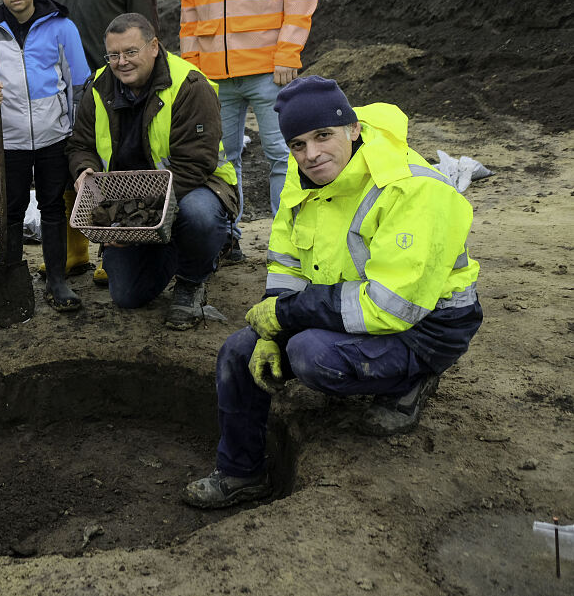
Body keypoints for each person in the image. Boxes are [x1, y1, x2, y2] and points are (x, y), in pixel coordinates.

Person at [183, 76, 482, 509]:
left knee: (311, 355)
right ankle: (242, 473)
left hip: (427, 327)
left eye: (323, 136)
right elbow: (287, 261)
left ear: (353, 129)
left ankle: (412, 380)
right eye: (298, 145)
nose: (312, 154)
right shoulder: (304, 176)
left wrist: (289, 318)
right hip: (348, 306)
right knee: (238, 351)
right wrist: (270, 330)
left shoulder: (412, 189)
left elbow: (390, 307)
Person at [178, 0, 318, 265]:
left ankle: (286, 242)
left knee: (284, 156)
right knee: (221, 159)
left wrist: (288, 54)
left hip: (268, 72)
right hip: (214, 78)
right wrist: (191, 72)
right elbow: (189, 9)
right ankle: (228, 239)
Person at [66, 13, 238, 329]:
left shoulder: (189, 85)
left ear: (154, 46)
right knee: (127, 296)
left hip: (196, 188)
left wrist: (138, 222)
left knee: (197, 215)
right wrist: (84, 170)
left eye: (131, 52)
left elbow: (195, 164)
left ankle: (192, 279)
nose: (122, 62)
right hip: (130, 201)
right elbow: (81, 145)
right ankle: (169, 245)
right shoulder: (99, 85)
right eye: (114, 55)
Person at [42, 0, 161, 285]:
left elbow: (147, 30)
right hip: (64, 85)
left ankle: (114, 249)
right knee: (69, 161)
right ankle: (75, 251)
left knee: (114, 164)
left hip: (116, 82)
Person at [0, 0, 88, 312]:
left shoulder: (61, 26)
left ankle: (56, 280)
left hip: (54, 136)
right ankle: (10, 277)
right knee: (11, 210)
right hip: (11, 140)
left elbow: (79, 81)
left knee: (53, 208)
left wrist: (74, 131)